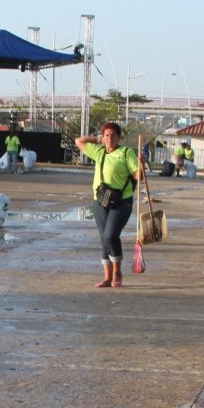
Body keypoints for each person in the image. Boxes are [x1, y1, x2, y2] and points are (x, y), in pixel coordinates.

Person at [76, 122, 143, 288]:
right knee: (103, 238)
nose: (109, 138)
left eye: (113, 135)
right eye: (106, 135)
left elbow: (137, 176)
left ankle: (117, 271)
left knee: (110, 235)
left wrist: (141, 165)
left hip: (121, 201)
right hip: (100, 201)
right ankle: (107, 277)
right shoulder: (99, 151)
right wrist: (97, 139)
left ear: (119, 138)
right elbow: (79, 141)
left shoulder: (126, 153)